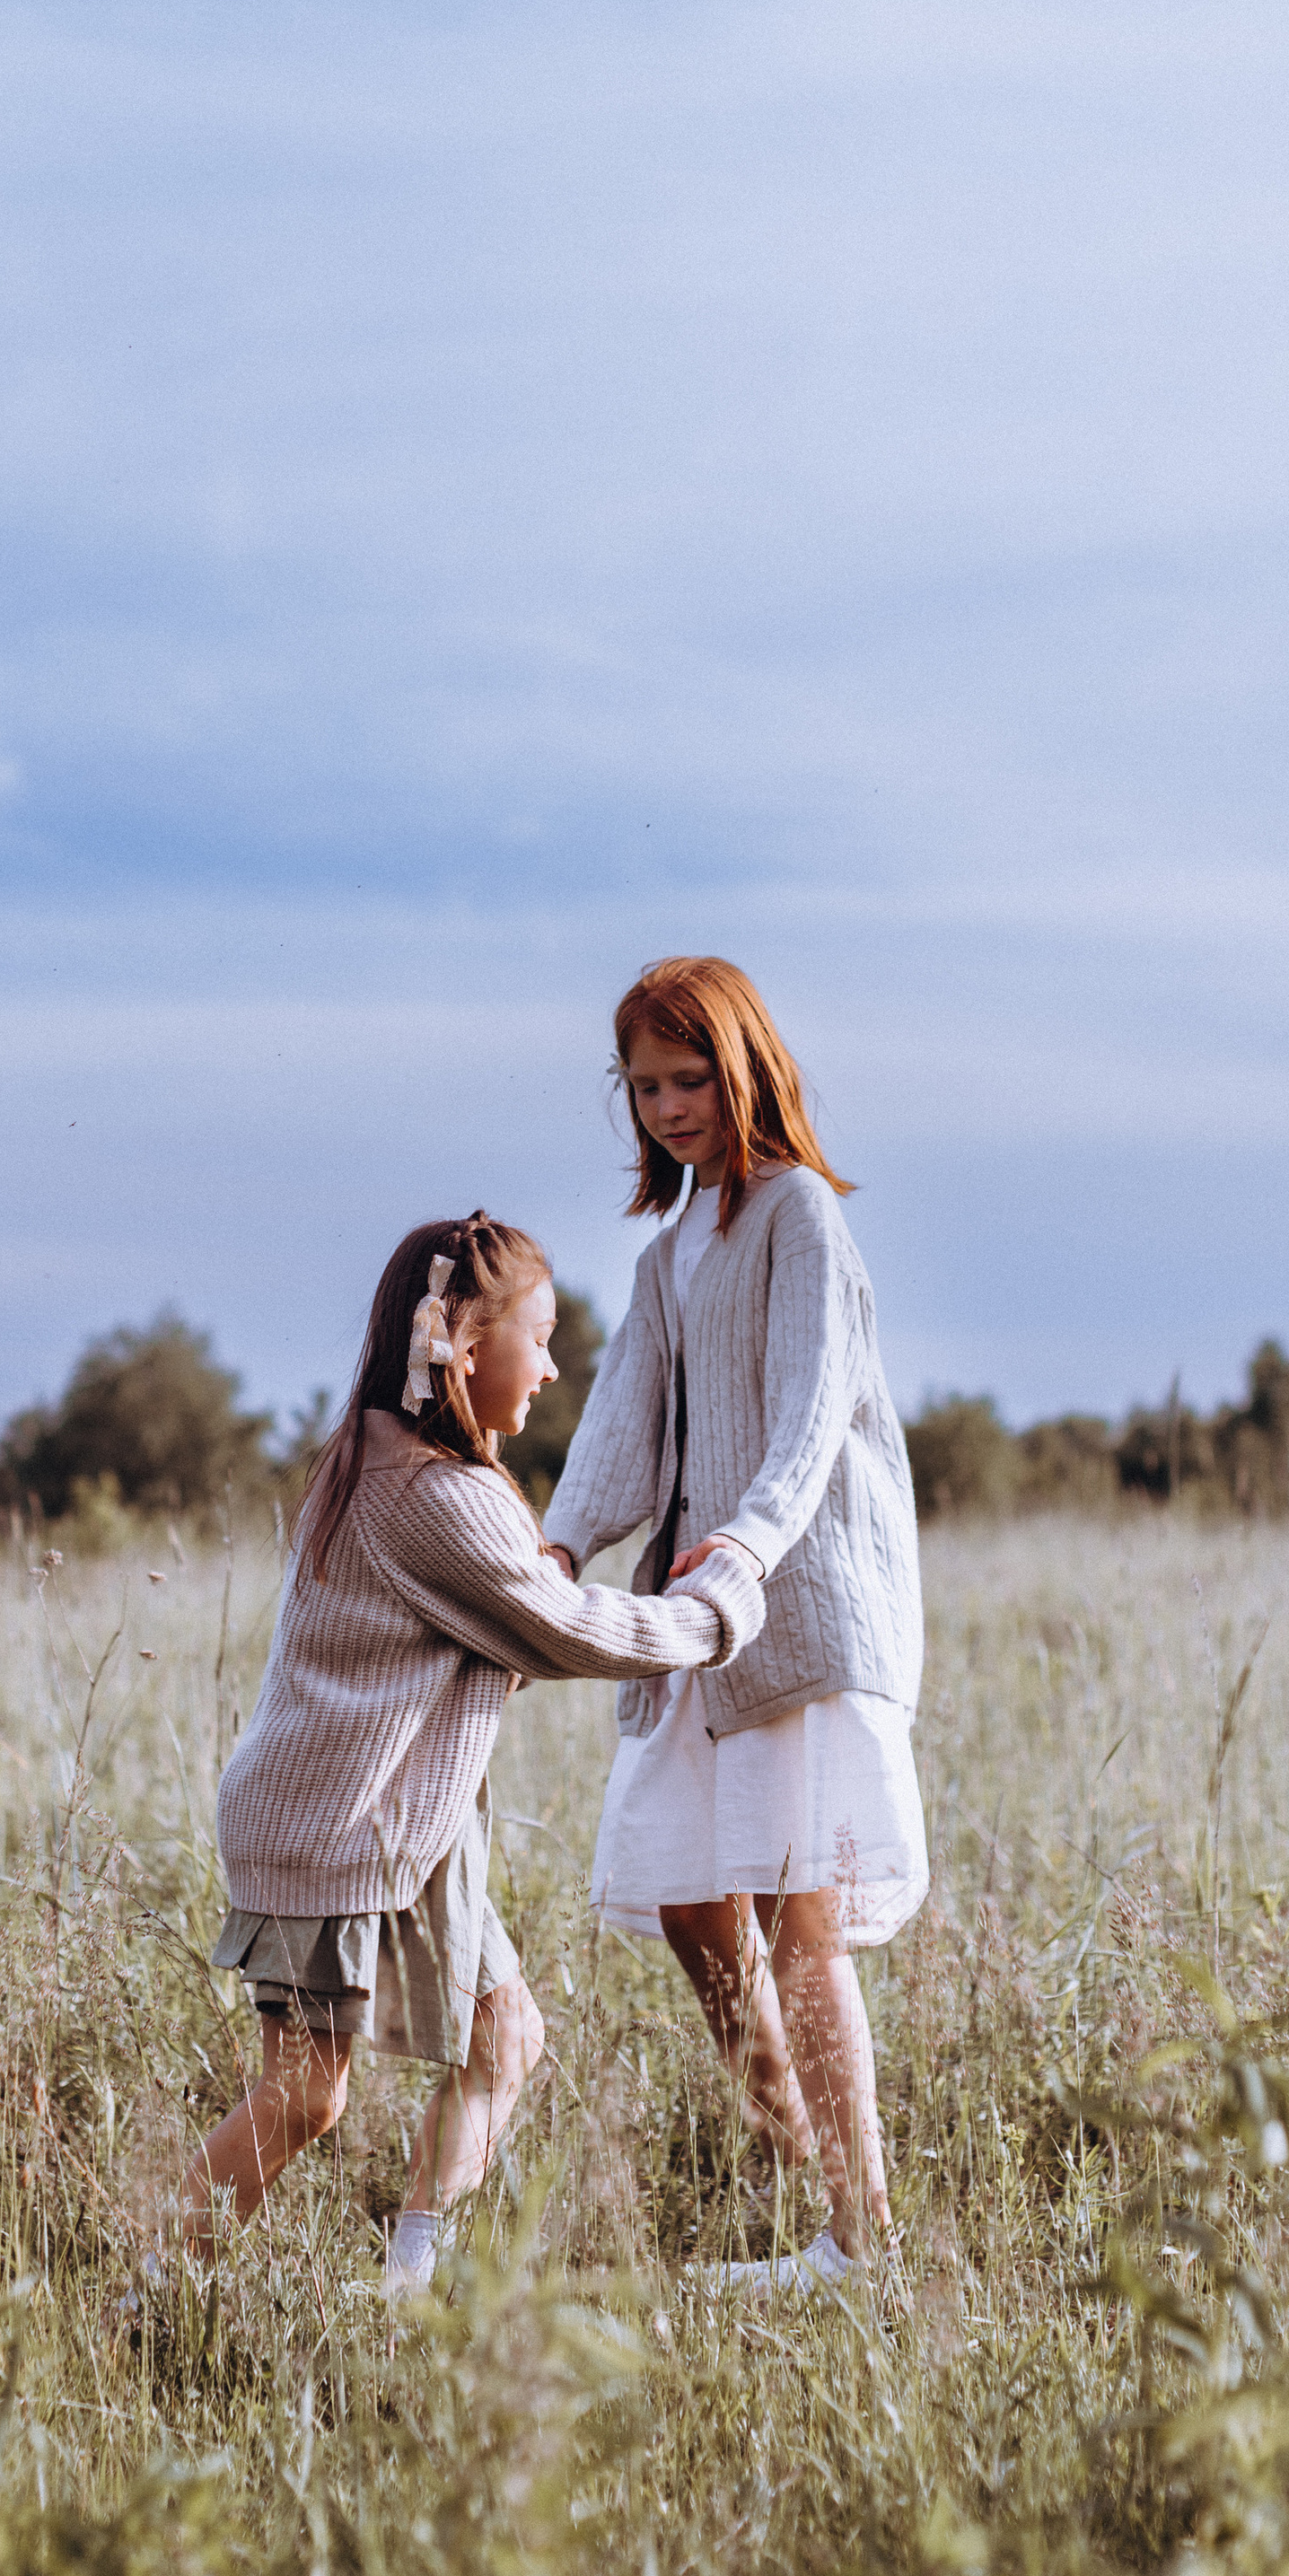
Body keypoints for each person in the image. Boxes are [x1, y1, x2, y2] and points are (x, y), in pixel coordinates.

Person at [177, 1208, 768, 2297]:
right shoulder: (428, 1492)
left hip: (404, 1825)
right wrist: (720, 1605)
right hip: (330, 1824)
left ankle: (408, 2281)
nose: (549, 1369)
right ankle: (142, 2274)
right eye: (535, 1339)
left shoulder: (386, 1455)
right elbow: (567, 1633)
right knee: (308, 2096)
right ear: (456, 1338)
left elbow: (511, 1626)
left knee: (506, 2039)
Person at [541, 959, 926, 2292]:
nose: (668, 1107)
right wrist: (551, 1547)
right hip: (697, 1612)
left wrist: (751, 1549)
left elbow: (814, 1411)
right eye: (645, 1087)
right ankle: (797, 2176)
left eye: (690, 1077)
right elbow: (621, 1430)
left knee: (792, 1907)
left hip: (798, 1597)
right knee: (698, 1902)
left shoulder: (798, 1215)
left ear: (746, 1065)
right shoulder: (669, 1256)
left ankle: (858, 2236)